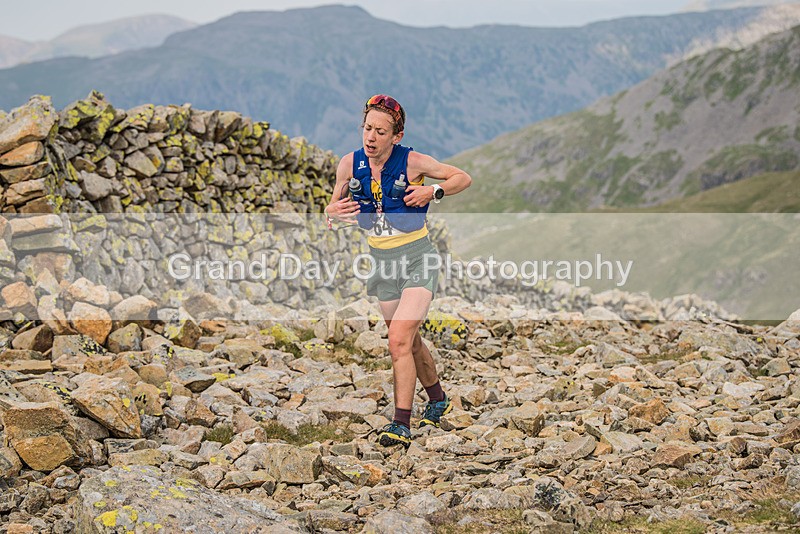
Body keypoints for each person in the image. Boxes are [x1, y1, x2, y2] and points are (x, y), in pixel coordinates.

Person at [324, 94, 472, 449]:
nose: (370, 137)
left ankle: (400, 424)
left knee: (398, 341)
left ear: (397, 136)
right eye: (367, 128)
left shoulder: (413, 162)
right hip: (381, 262)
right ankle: (437, 399)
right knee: (409, 341)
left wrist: (432, 192)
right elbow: (332, 208)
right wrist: (333, 214)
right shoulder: (349, 164)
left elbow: (462, 178)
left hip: (418, 258)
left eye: (380, 131)